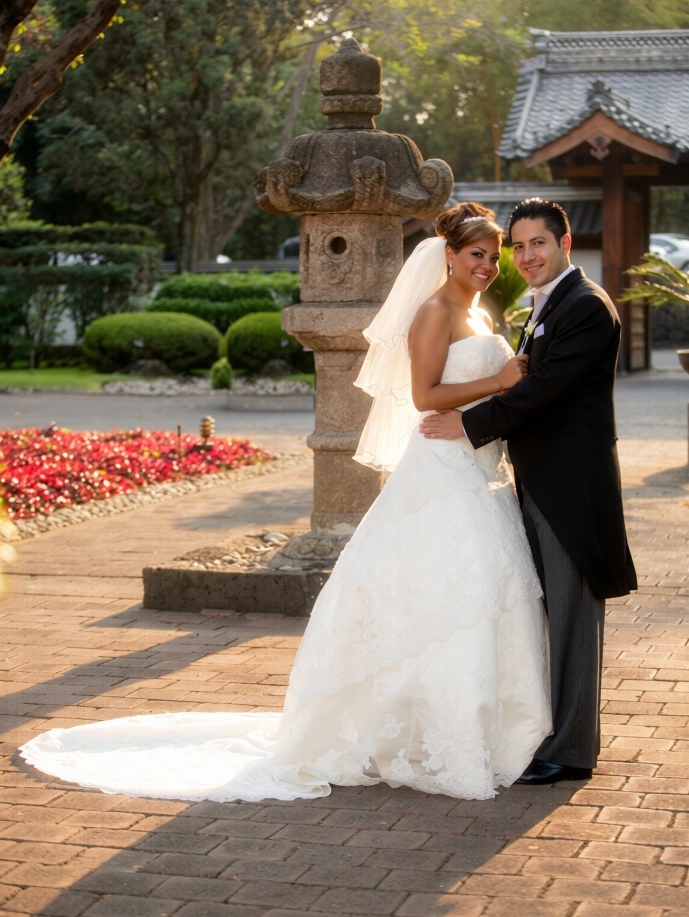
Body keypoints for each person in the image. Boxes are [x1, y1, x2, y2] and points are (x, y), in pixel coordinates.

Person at [19, 202, 551, 803]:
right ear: (449, 255)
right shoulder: (434, 311)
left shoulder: (479, 312)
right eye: (476, 254)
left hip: (478, 471)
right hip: (442, 473)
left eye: (493, 255)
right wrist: (499, 381)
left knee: (476, 591)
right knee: (448, 590)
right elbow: (425, 394)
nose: (486, 264)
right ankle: (427, 733)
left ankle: (480, 727)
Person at [421, 198, 637, 785]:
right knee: (549, 616)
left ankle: (570, 751)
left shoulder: (586, 306)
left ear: (565, 243)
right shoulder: (547, 305)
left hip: (572, 486)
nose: (525, 256)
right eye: (518, 246)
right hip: (540, 481)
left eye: (536, 243)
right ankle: (551, 734)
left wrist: (468, 424)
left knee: (572, 620)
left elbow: (544, 390)